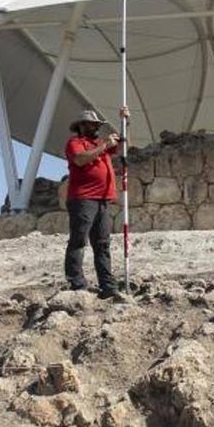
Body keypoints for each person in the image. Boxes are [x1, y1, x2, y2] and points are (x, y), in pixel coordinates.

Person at [64, 107, 128, 299]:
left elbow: (124, 144)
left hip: (102, 200)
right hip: (83, 198)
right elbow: (80, 160)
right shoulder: (75, 143)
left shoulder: (100, 142)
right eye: (92, 124)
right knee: (79, 240)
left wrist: (126, 122)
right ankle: (76, 282)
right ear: (82, 126)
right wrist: (103, 147)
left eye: (97, 124)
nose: (95, 127)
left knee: (102, 243)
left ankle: (107, 285)